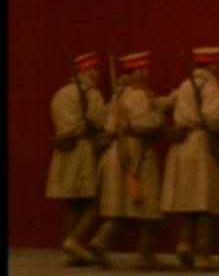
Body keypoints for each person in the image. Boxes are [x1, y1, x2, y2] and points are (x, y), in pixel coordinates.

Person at [88, 51, 173, 270]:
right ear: (138, 71)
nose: (147, 73)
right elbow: (147, 123)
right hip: (137, 151)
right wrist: (158, 118)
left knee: (119, 205)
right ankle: (145, 255)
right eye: (144, 69)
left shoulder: (118, 94)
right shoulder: (138, 93)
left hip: (115, 150)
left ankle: (100, 240)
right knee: (148, 204)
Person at [160, 46, 219, 270]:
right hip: (201, 145)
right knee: (205, 201)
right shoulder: (210, 86)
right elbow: (214, 117)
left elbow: (165, 103)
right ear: (212, 65)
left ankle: (184, 243)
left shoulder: (185, 85)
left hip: (182, 146)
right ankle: (202, 254)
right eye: (218, 64)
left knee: (190, 200)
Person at [45, 51, 107, 266]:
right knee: (93, 202)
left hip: (64, 151)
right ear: (86, 70)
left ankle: (72, 252)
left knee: (72, 203)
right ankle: (74, 241)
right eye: (95, 69)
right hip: (83, 151)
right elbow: (100, 122)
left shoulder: (60, 94)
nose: (98, 73)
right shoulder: (93, 94)